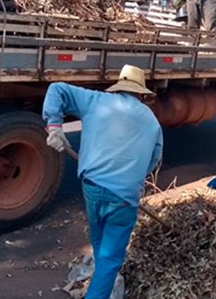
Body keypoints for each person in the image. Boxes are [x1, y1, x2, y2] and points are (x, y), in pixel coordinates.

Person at [42, 64, 163, 298]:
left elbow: (57, 89)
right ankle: (102, 283)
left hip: (92, 188)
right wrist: (132, 177)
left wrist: (54, 127)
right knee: (110, 261)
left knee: (99, 239)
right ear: (141, 93)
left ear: (118, 88)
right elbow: (153, 161)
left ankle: (102, 277)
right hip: (124, 198)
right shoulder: (152, 121)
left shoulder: (96, 101)